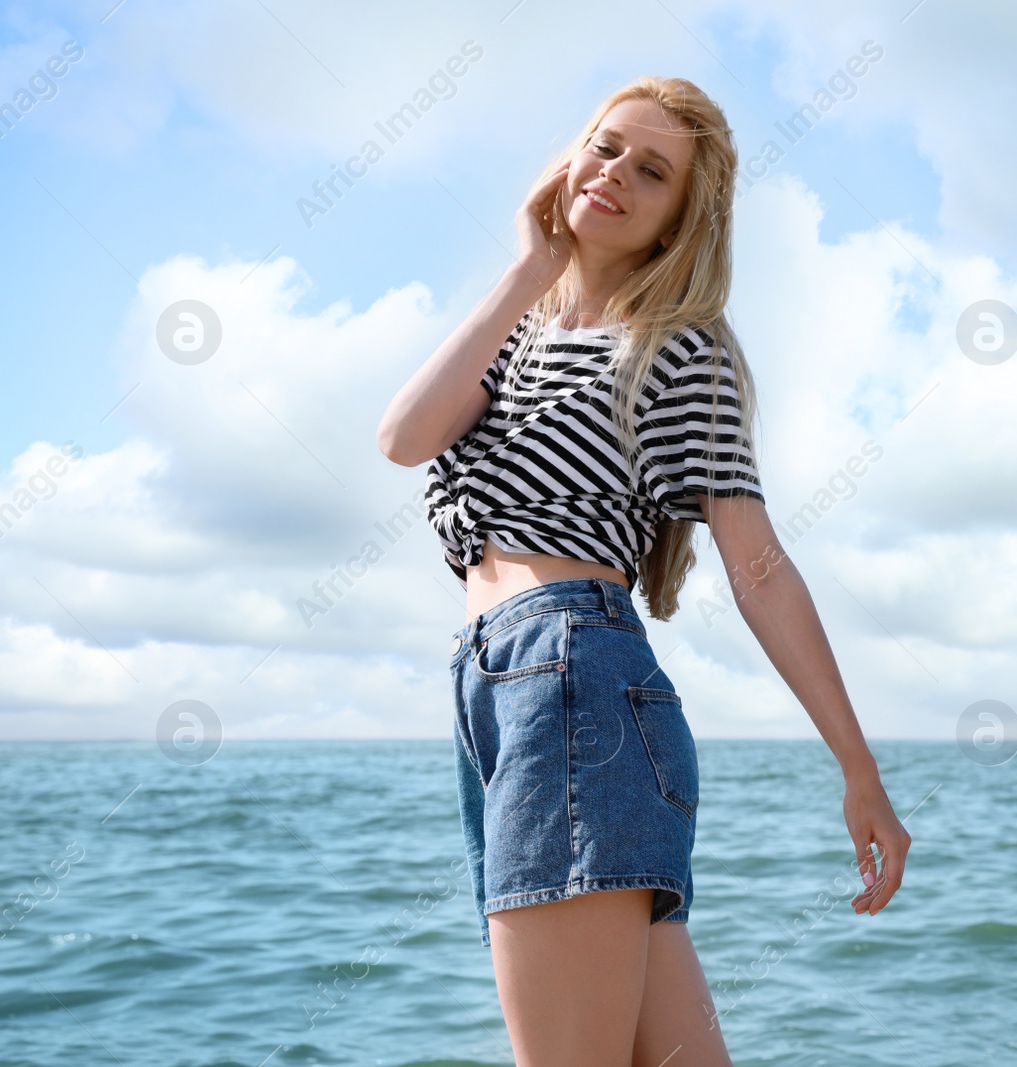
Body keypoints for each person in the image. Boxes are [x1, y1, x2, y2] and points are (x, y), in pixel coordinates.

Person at [376, 75, 909, 1066]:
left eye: (650, 170)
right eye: (605, 146)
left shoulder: (677, 350)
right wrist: (530, 266)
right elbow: (403, 437)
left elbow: (756, 564)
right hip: (513, 689)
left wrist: (858, 767)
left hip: (568, 679)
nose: (615, 172)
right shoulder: (517, 332)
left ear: (677, 223)